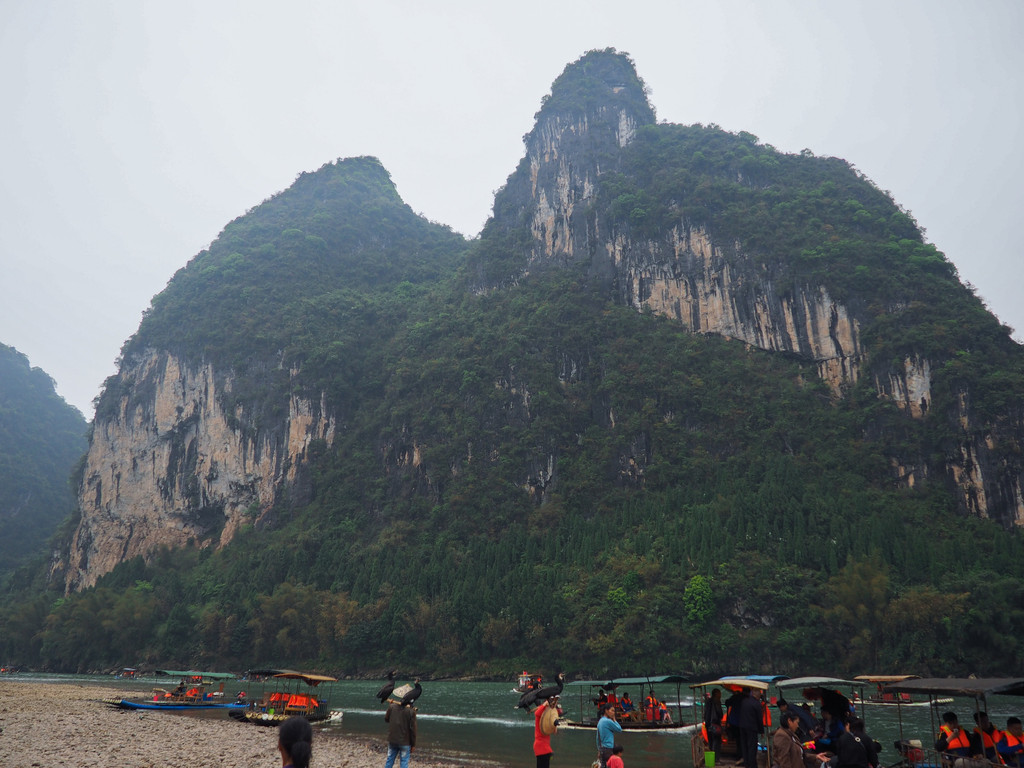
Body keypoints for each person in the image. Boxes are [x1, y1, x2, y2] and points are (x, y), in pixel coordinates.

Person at [384, 698, 417, 768]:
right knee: (404, 762)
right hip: (405, 742)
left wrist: (390, 708)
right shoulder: (411, 711)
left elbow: (387, 719)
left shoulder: (392, 707)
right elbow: (413, 730)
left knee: (389, 760)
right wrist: (413, 744)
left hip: (392, 739)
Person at [736, 687, 764, 768]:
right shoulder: (756, 704)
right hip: (751, 727)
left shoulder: (744, 701)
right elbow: (759, 719)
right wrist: (761, 731)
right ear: (757, 695)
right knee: (752, 747)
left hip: (742, 726)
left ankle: (747, 763)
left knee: (744, 746)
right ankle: (752, 765)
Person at [533, 695, 559, 768]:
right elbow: (536, 713)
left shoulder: (547, 719)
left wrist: (555, 723)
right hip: (541, 747)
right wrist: (545, 704)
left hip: (545, 748)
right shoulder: (540, 715)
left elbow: (554, 731)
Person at [597, 702, 623, 767]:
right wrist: (614, 720)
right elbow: (619, 729)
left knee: (603, 765)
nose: (613, 712)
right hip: (609, 748)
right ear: (606, 710)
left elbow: (598, 738)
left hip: (602, 749)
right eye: (612, 710)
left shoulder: (600, 721)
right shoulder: (608, 721)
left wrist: (599, 749)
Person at [704, 688, 725, 755]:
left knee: (710, 741)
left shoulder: (708, 701)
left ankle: (711, 756)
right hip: (714, 724)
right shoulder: (717, 701)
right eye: (719, 693)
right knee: (716, 741)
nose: (720, 695)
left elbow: (705, 713)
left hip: (708, 723)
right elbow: (720, 713)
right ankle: (716, 758)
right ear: (716, 694)